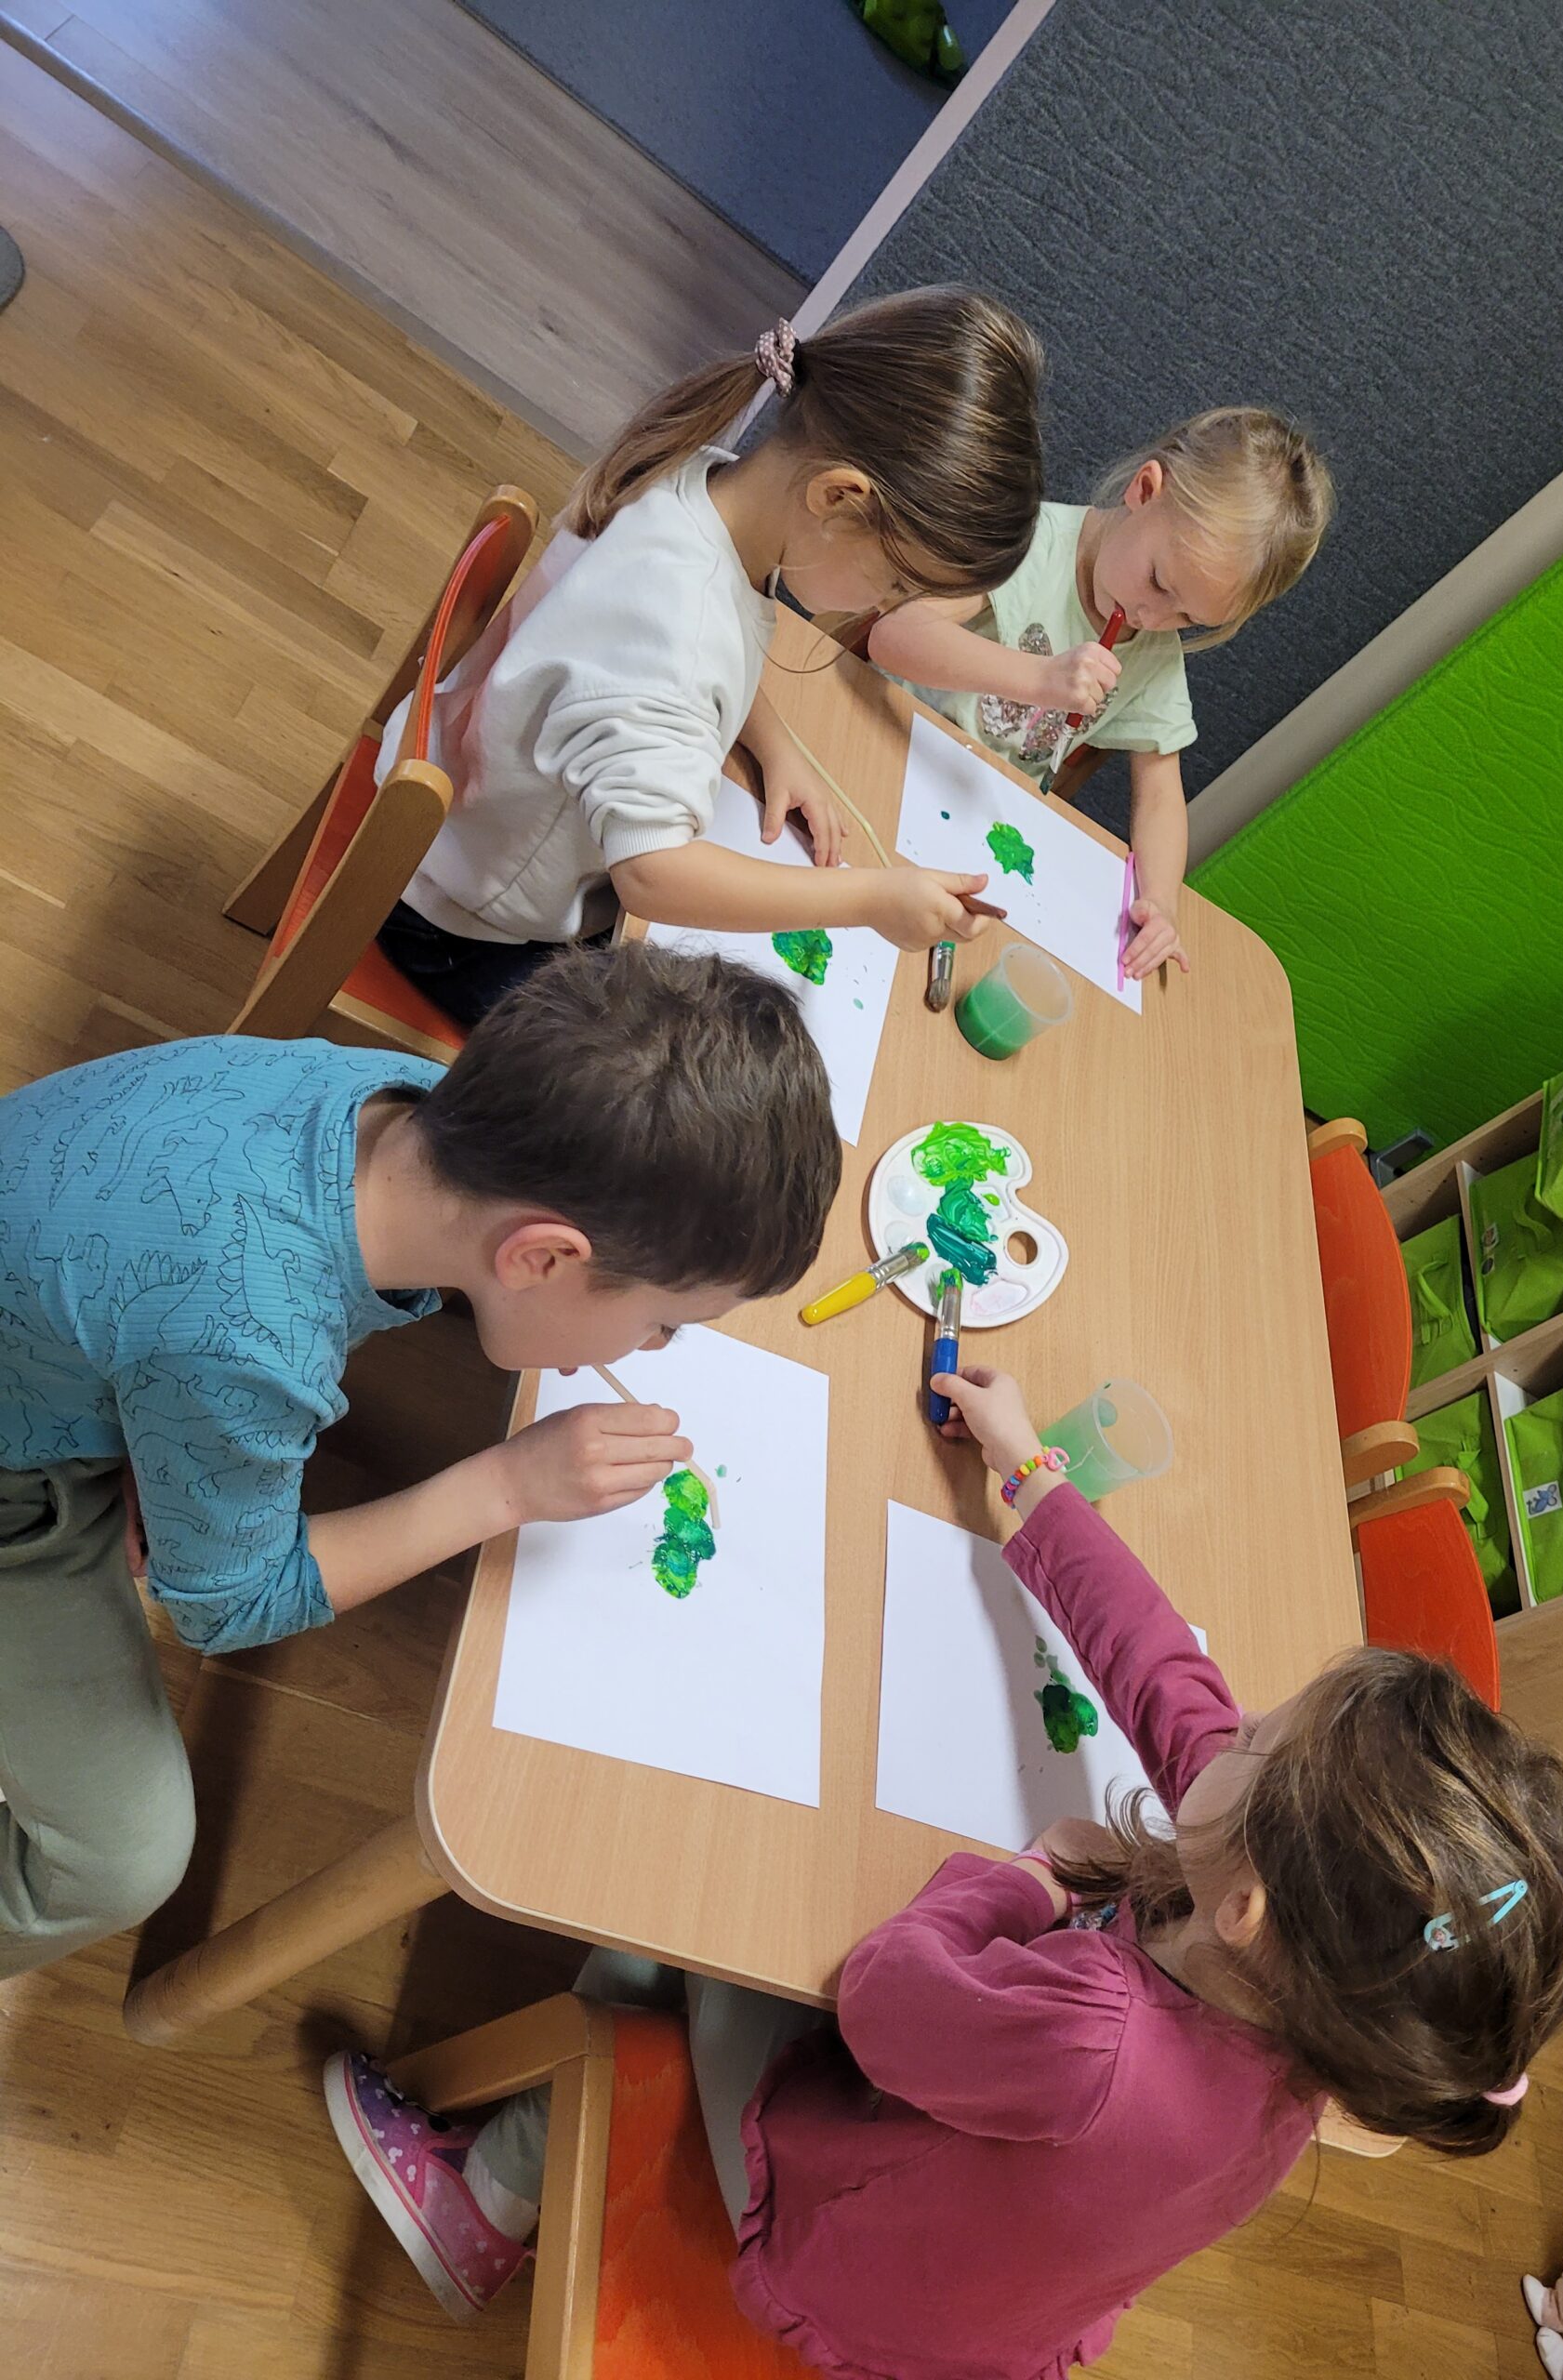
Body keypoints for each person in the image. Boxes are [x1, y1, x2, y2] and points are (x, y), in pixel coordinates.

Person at [326, 1362, 1563, 2376]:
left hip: (837, 2262)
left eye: (1260, 1739)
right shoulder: (1316, 2005)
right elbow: (1168, 1682)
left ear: (1245, 1905)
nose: (1235, 1722)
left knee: (695, 1907)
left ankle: (486, 2198)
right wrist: (1034, 1478)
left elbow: (884, 1998)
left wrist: (1031, 1883)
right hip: (994, 2300)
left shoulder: (1098, 2043)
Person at [0, 944, 839, 1979]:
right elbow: (225, 1607)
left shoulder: (410, 1103)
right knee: (123, 1861)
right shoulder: (246, 1335)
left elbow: (180, 1302)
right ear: (541, 1256)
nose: (656, 1349)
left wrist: (172, 1421)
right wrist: (507, 1484)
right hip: (23, 1480)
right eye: (664, 1323)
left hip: (76, 1318)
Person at [374, 285, 1048, 1025]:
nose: (883, 607)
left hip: (463, 818)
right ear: (837, 498)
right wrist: (870, 899)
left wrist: (774, 743)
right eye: (896, 582)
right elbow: (653, 874)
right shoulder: (675, 622)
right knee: (670, 1084)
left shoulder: (714, 484)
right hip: (463, 922)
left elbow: (699, 646)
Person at [868, 408, 1333, 980]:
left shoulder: (1153, 655)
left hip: (971, 829)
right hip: (881, 756)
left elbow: (1160, 796)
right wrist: (1039, 678)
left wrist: (1160, 902)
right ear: (1145, 490)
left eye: (1187, 617)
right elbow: (895, 636)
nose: (1151, 617)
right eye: (1159, 581)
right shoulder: (1030, 545)